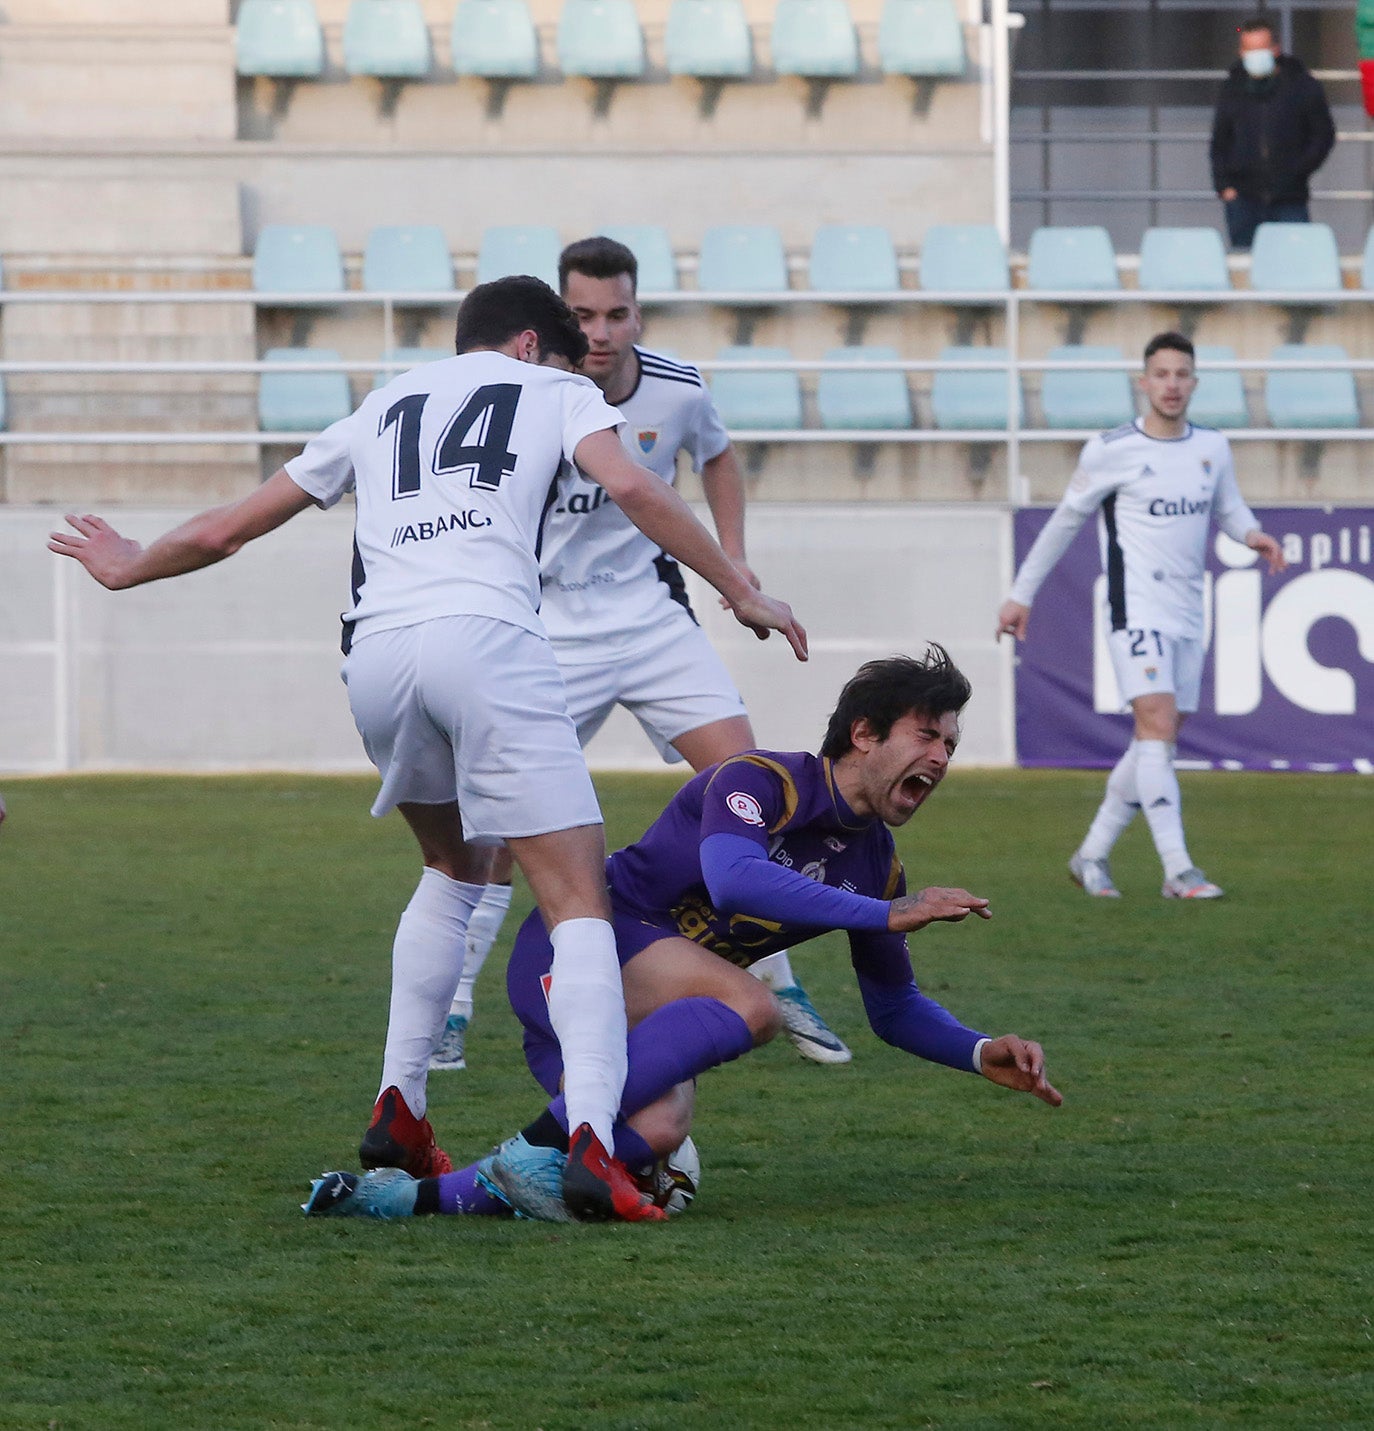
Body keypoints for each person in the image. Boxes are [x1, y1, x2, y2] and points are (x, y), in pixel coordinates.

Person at [49, 275, 808, 1225]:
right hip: (485, 639)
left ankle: (400, 1107)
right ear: (534, 346)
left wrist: (129, 563)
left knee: (456, 866)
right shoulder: (556, 390)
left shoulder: (384, 401)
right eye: (571, 350)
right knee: (577, 894)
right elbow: (633, 484)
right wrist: (739, 588)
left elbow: (228, 527)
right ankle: (591, 1142)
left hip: (375, 654)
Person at [302, 647, 1062, 1225]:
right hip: (575, 952)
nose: (940, 756)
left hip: (646, 1012)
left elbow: (894, 1008)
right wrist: (885, 913)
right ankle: (544, 1145)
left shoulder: (876, 864)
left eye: (951, 745)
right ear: (863, 734)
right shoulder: (761, 781)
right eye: (927, 734)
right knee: (757, 1006)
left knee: (663, 1127)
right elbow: (735, 877)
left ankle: (409, 1199)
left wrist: (977, 1048)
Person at [431, 235, 850, 1077]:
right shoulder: (529, 396)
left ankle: (780, 978)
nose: (600, 331)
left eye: (616, 313)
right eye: (582, 314)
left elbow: (719, 455)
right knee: (500, 828)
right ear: (556, 317)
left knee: (748, 788)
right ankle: (454, 1004)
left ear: (638, 313)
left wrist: (737, 555)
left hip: (651, 619)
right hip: (547, 627)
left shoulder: (678, 388)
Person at [996, 332, 1286, 901]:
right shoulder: (1111, 449)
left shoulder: (1212, 448)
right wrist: (1021, 593)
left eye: (1182, 375)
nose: (1172, 385)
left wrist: (1253, 535)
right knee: (1155, 725)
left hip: (1187, 612)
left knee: (1158, 738)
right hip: (1136, 610)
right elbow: (1063, 523)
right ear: (1144, 381)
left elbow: (1228, 507)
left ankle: (1091, 855)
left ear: (1194, 383)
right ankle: (1178, 870)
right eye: (1162, 374)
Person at [1210, 15, 1335, 250]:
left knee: (1295, 262)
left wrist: (1298, 170)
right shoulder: (1232, 88)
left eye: (1261, 48)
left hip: (1290, 197)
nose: (1255, 56)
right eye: (1249, 49)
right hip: (1243, 199)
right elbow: (1220, 141)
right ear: (1241, 52)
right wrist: (1224, 186)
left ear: (1275, 49)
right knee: (1248, 265)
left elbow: (1323, 134)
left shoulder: (1302, 85)